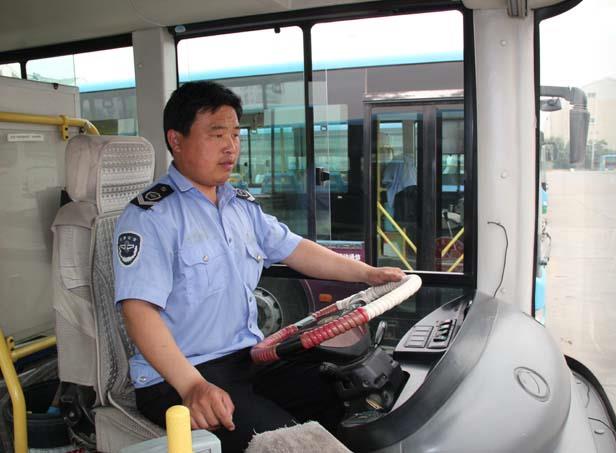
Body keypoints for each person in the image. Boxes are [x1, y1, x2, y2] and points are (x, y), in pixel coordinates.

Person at [113, 81, 404, 452]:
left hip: (246, 361)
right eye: (216, 134)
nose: (231, 146)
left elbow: (296, 249)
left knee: (348, 390)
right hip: (178, 377)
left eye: (235, 134)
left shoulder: (240, 206)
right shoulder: (150, 217)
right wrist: (192, 386)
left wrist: (368, 274)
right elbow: (138, 312)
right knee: (289, 444)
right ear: (176, 140)